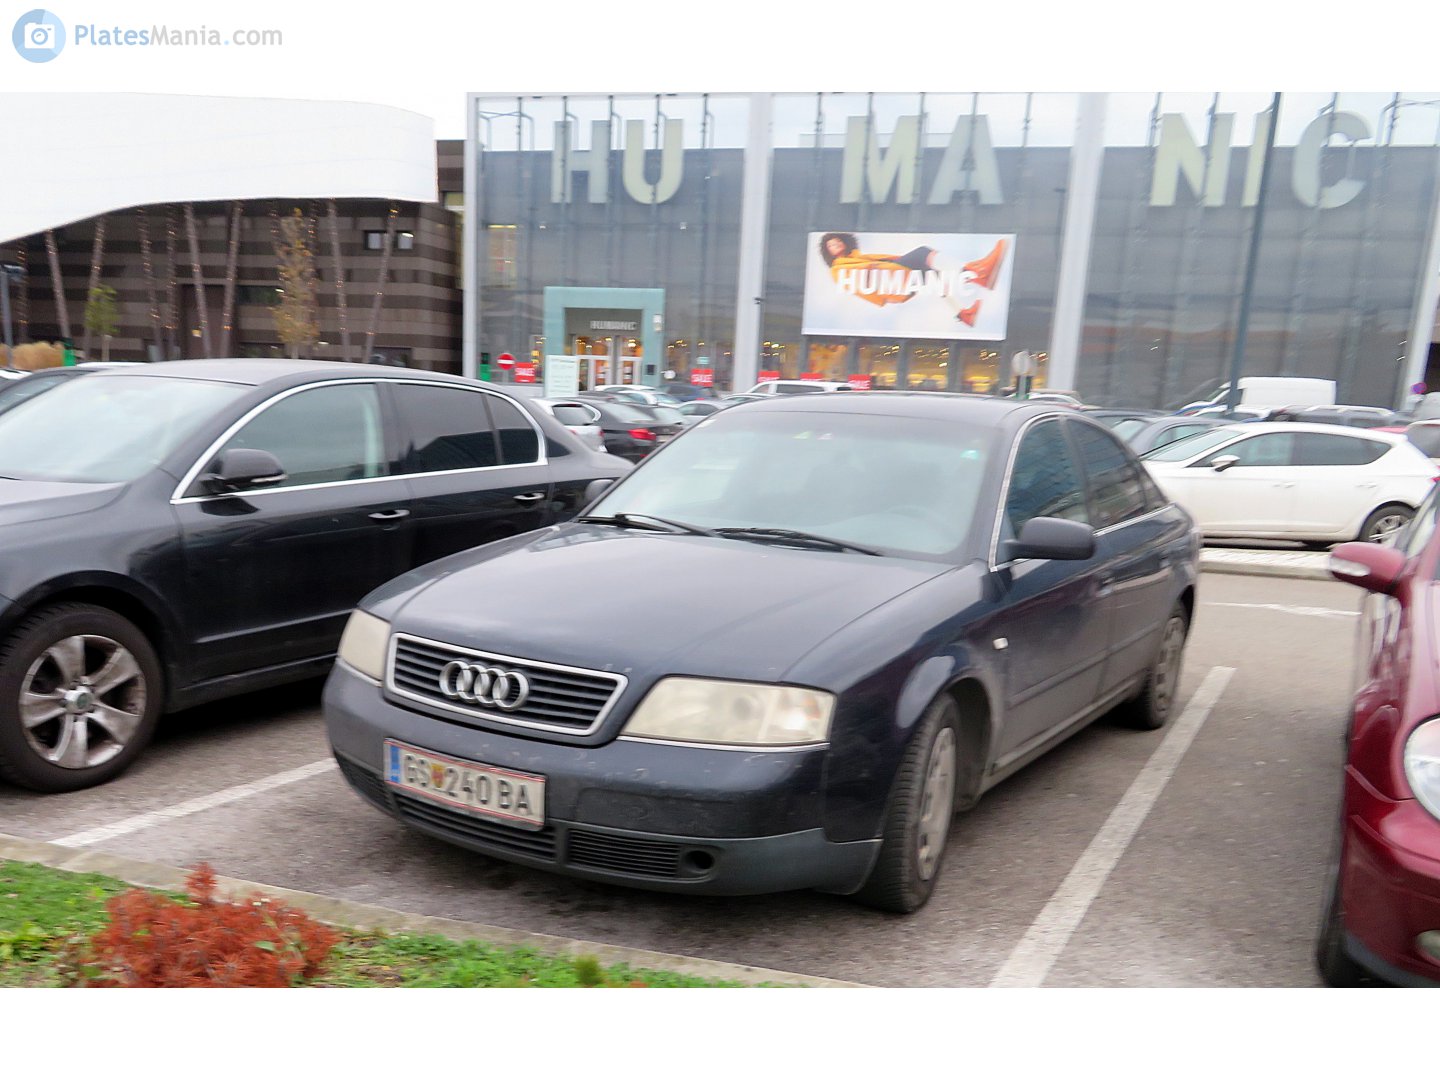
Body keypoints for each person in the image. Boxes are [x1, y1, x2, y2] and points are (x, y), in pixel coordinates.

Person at [818, 233, 1007, 325]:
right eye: (831, 245)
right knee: (923, 253)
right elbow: (859, 282)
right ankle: (976, 272)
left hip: (895, 279)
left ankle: (964, 314)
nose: (836, 245)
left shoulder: (855, 257)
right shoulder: (837, 268)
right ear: (828, 252)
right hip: (891, 282)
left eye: (837, 241)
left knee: (935, 275)